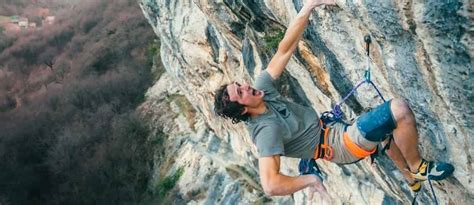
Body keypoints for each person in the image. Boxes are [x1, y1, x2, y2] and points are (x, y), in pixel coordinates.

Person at [213, 0, 454, 199]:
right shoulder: (265, 132)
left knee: (385, 131)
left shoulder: (261, 89)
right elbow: (270, 185)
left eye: (239, 85)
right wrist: (310, 179)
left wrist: (307, 8)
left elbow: (284, 50)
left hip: (335, 128)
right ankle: (417, 167)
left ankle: (410, 180)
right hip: (339, 145)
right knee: (399, 110)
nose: (246, 86)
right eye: (241, 92)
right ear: (244, 110)